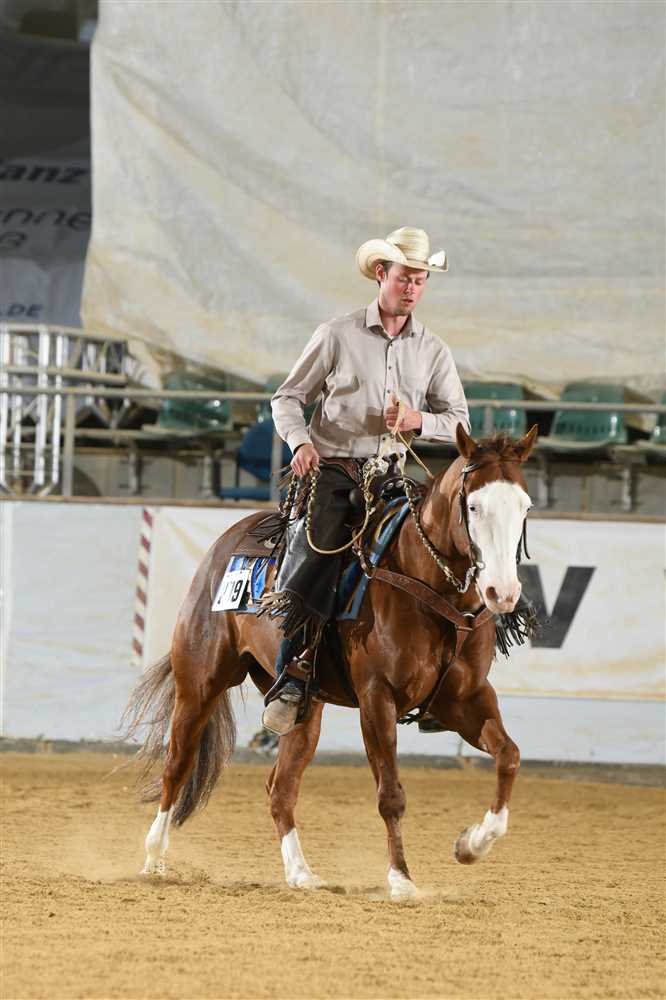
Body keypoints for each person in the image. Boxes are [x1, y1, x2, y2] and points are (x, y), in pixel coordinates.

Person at [260, 226, 470, 735]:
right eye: (404, 278)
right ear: (381, 273)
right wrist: (300, 443)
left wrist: (419, 420)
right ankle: (293, 671)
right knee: (318, 553)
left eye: (420, 280)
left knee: (446, 554)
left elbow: (459, 420)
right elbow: (287, 398)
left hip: (394, 479)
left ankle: (441, 677)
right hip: (334, 472)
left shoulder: (433, 349)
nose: (412, 288)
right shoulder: (337, 334)